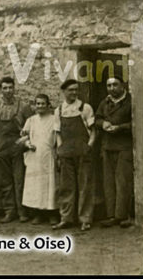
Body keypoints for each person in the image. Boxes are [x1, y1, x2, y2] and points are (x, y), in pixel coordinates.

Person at [52, 79, 97, 231]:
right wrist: (60, 150)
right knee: (66, 187)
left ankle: (85, 219)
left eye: (76, 90)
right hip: (66, 153)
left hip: (83, 152)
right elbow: (58, 133)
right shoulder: (58, 110)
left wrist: (88, 147)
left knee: (85, 185)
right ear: (63, 91)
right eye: (70, 90)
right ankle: (66, 218)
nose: (74, 92)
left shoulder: (85, 108)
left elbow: (93, 132)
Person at [0, 76, 34, 223]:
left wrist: (22, 141)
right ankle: (10, 211)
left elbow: (32, 126)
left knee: (19, 179)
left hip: (18, 147)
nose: (8, 91)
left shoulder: (23, 106)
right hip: (2, 147)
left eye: (10, 87)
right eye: (5, 88)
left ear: (14, 88)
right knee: (5, 181)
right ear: (0, 90)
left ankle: (22, 211)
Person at [95, 77, 135, 229]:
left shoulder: (131, 101)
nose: (111, 88)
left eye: (115, 85)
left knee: (123, 182)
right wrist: (103, 123)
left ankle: (123, 216)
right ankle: (111, 215)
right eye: (109, 85)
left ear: (122, 85)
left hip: (123, 147)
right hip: (107, 147)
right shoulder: (105, 102)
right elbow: (97, 118)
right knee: (108, 182)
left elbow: (136, 122)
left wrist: (120, 127)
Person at [20, 93, 59, 225]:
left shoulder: (54, 119)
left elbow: (58, 137)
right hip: (34, 155)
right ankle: (38, 214)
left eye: (43, 103)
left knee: (50, 184)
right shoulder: (31, 120)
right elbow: (24, 137)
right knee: (36, 185)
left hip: (48, 155)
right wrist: (27, 144)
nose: (40, 106)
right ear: (35, 105)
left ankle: (52, 214)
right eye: (38, 104)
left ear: (48, 105)